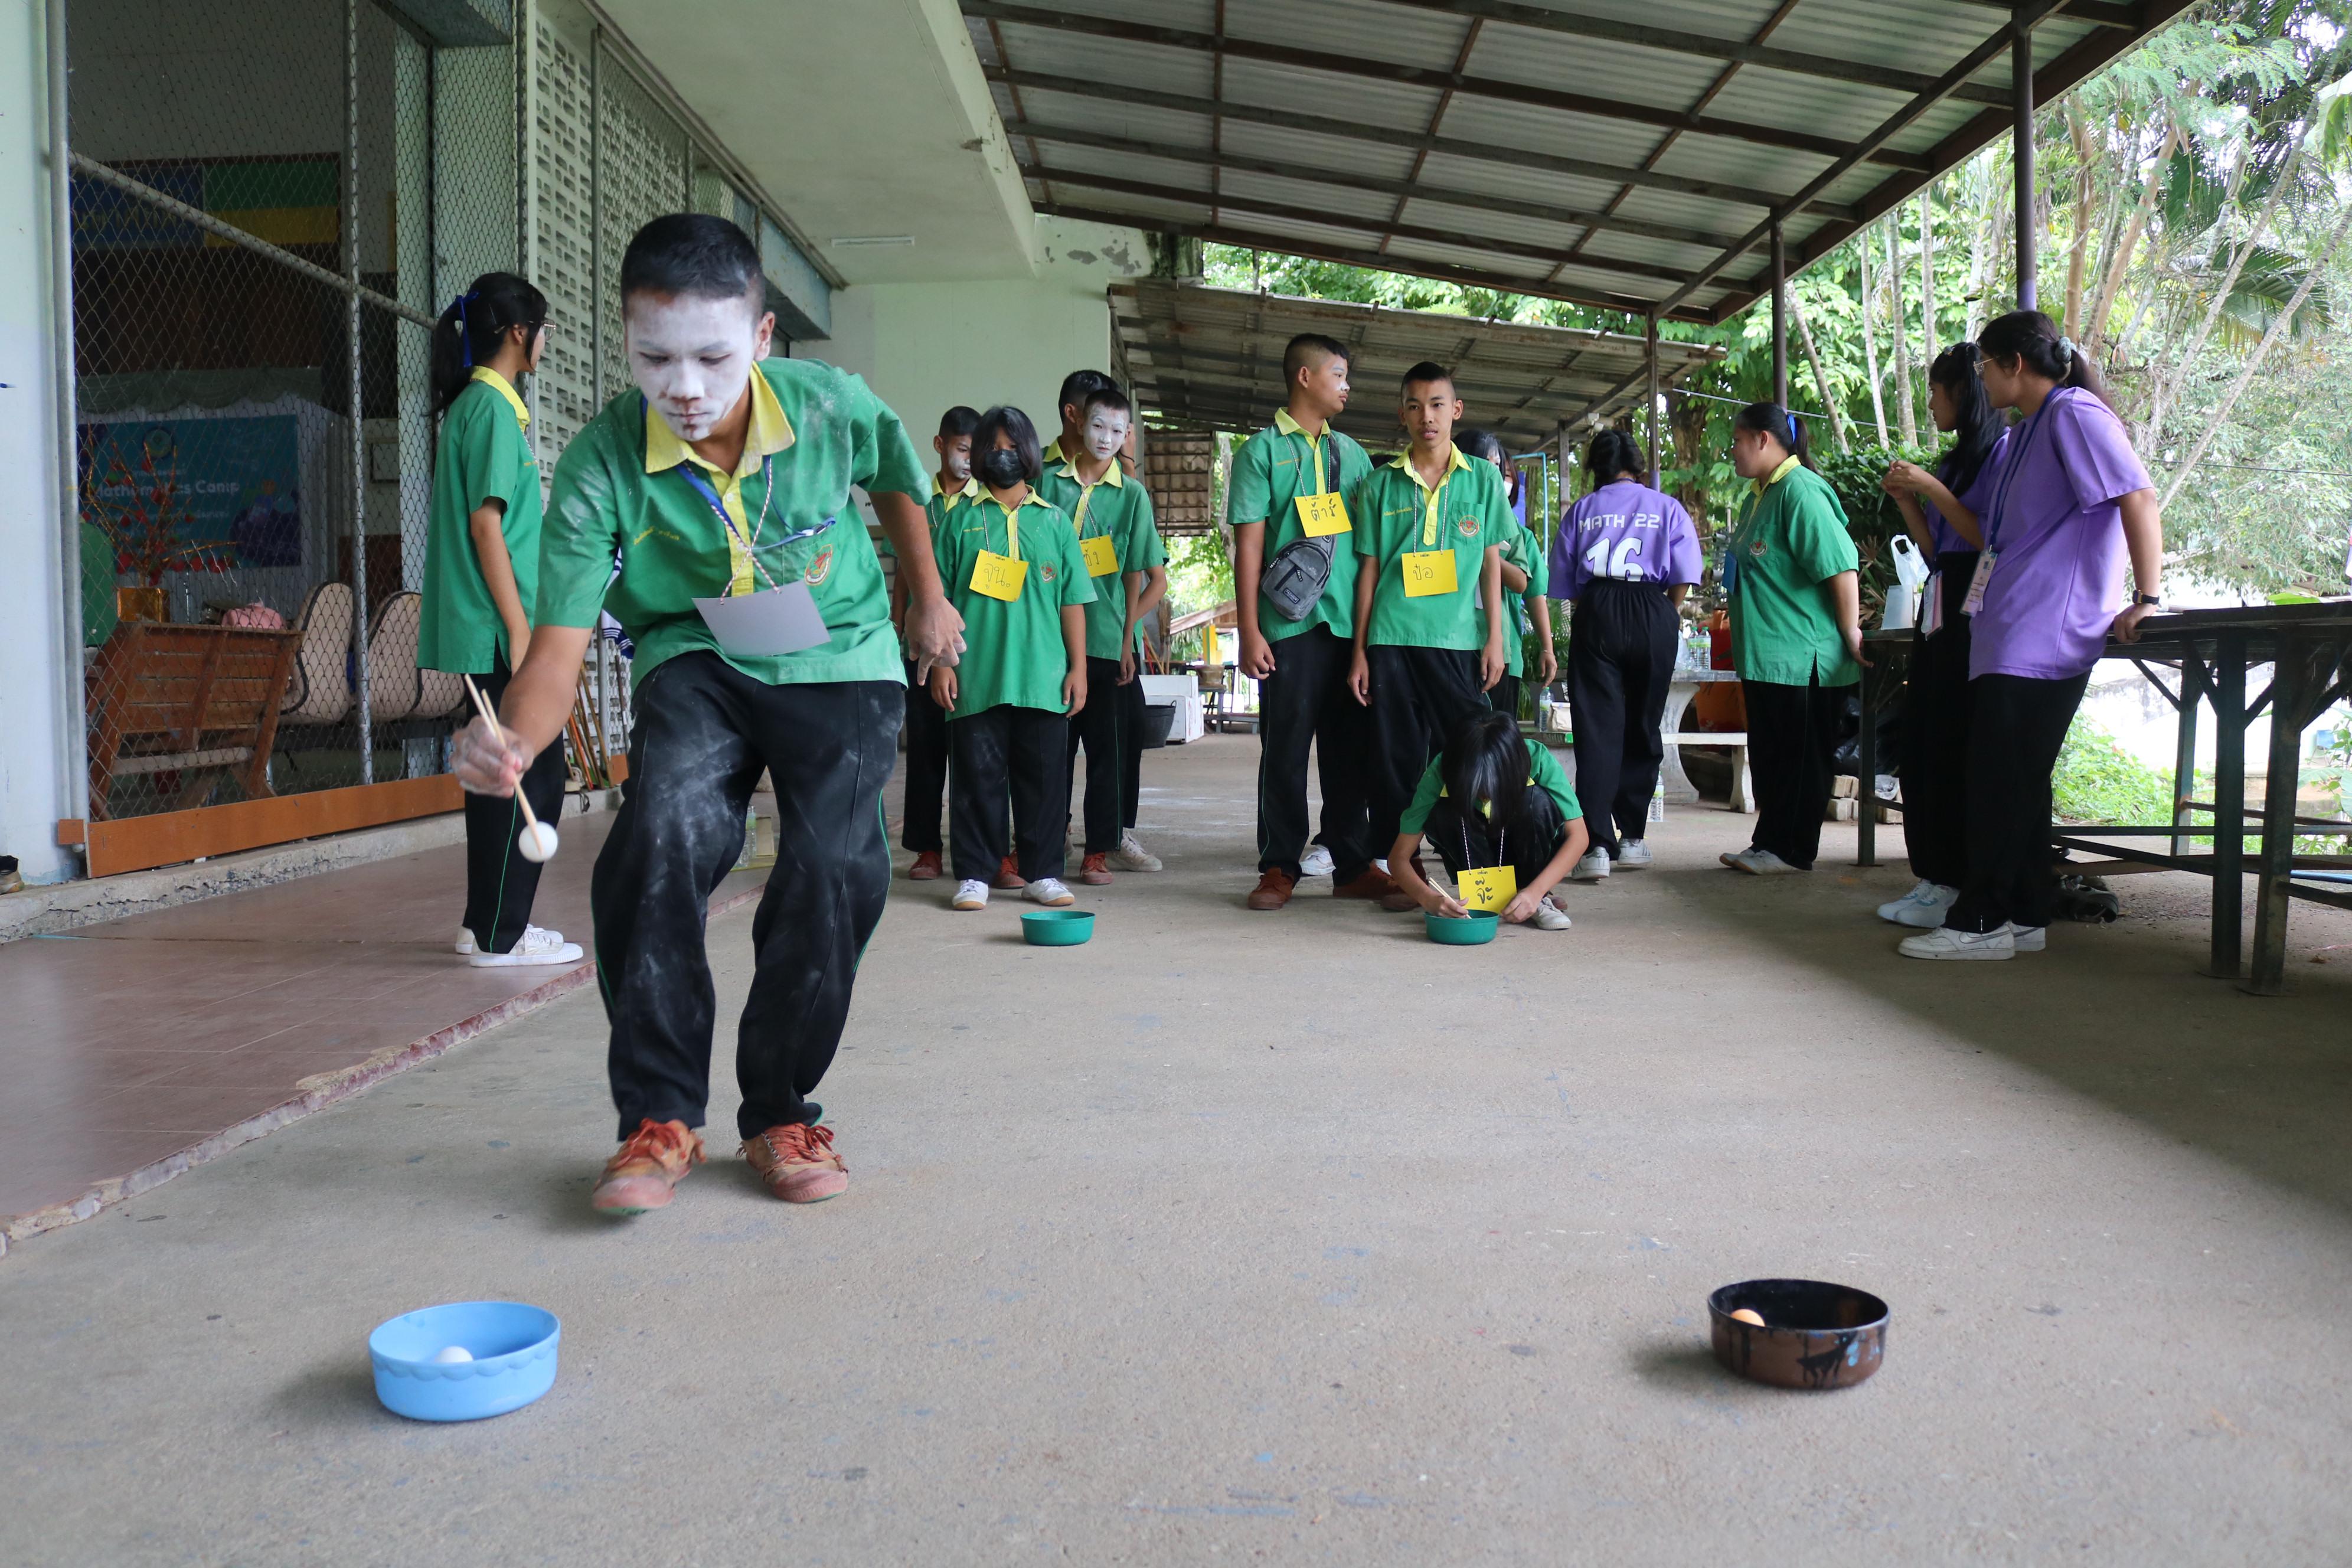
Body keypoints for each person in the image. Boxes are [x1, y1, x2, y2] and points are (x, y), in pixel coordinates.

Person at [450, 214, 965, 1217]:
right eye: (654, 358)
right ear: (625, 339)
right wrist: (515, 738)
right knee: (660, 834)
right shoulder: (601, 461)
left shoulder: (830, 406)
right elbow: (553, 654)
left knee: (836, 860)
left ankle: (779, 1110)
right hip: (695, 649)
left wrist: (929, 596)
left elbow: (900, 483)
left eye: (713, 358)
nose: (683, 387)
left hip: (838, 648)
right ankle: (659, 1115)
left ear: (763, 337)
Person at [1900, 311, 2162, 961]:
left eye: (1985, 365)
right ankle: (2022, 912)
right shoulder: (2024, 432)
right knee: (2015, 779)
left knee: (1999, 781)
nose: (1980, 378)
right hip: (2008, 624)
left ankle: (1980, 921)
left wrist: (2147, 597)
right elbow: (1988, 533)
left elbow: (2137, 496)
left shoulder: (2075, 414)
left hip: (2046, 630)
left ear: (2014, 364)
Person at [416, 272, 582, 970]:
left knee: (498, 776)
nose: (545, 342)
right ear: (520, 332)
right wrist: (519, 629)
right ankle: (501, 935)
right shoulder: (488, 408)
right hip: (495, 625)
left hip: (489, 622)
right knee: (531, 777)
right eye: (544, 330)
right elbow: (488, 527)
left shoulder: (482, 407)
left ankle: (482, 925)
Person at [1229, 333, 1394, 911]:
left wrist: (1371, 636)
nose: (1347, 387)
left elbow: (1369, 548)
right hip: (1288, 626)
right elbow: (1249, 547)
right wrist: (1249, 630)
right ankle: (1279, 865)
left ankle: (1351, 865)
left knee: (1350, 750)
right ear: (1305, 377)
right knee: (1286, 748)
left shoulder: (1352, 454)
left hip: (1349, 626)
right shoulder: (1261, 453)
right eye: (1338, 375)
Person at [1347, 361, 1514, 912]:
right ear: (1402, 414)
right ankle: (1405, 872)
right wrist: (1360, 651)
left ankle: (1489, 874)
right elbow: (1369, 571)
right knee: (1394, 760)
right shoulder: (1380, 484)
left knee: (1476, 757)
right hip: (1392, 640)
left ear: (1456, 410)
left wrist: (1495, 638)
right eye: (1416, 406)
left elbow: (1490, 565)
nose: (1428, 417)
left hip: (1457, 641)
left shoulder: (1483, 479)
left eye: (1438, 405)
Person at [928, 405, 1095, 913]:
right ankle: (974, 874)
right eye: (993, 448)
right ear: (979, 454)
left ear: (1030, 453)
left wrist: (1079, 667)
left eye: (1012, 447)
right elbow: (937, 600)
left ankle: (1042, 873)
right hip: (975, 676)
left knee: (1044, 782)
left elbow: (1072, 601)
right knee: (975, 780)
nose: (1003, 456)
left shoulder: (1055, 522)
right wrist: (942, 663)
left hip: (1043, 678)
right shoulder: (958, 521)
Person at [1877, 344, 2006, 929]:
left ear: (1964, 392)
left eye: (1936, 390)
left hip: (1978, 601)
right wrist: (1909, 499)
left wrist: (1929, 487)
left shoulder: (2002, 454)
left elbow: (1983, 537)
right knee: (1923, 738)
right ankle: (1932, 876)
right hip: (1941, 594)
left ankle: (1956, 880)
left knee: (1956, 739)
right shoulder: (1954, 463)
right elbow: (1934, 550)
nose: (1931, 403)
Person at [1549, 429, 1702, 881]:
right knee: (1643, 724)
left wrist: (1600, 610)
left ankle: (1596, 846)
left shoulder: (1582, 511)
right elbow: (1683, 575)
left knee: (1597, 730)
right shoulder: (1667, 508)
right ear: (1637, 466)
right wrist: (1664, 614)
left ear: (1596, 469)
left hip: (1598, 609)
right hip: (1654, 609)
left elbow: (1568, 585)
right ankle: (1633, 838)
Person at [1719, 402, 1866, 876]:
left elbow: (1840, 567)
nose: (1732, 450)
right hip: (1765, 656)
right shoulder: (1758, 495)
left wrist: (1851, 630)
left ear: (1763, 439)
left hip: (1804, 657)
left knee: (1800, 759)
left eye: (1738, 441)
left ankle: (1793, 851)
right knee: (1772, 756)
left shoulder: (1801, 490)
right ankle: (1768, 844)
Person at [1037, 385, 1168, 885]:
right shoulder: (1047, 483)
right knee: (1050, 751)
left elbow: (1137, 572)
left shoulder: (1131, 495)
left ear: (1127, 434)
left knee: (1108, 753)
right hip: (1049, 641)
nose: (1106, 438)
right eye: (1098, 426)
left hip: (1107, 641)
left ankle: (1098, 851)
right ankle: (1042, 843)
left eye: (1117, 430)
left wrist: (1127, 636)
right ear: (1079, 424)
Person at [1386, 709, 1586, 932]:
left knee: (1538, 802)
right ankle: (1481, 900)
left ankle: (1534, 898)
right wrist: (1428, 898)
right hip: (1475, 860)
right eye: (1475, 787)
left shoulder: (1537, 758)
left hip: (1526, 854)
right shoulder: (1441, 770)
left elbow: (1579, 837)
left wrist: (1536, 891)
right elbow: (1398, 858)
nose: (1485, 795)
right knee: (1444, 810)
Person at [889, 406, 979, 883]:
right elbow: (906, 568)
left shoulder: (986, 503)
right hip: (922, 642)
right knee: (925, 747)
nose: (969, 460)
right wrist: (897, 620)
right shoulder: (917, 498)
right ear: (940, 446)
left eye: (976, 451)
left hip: (971, 642)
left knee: (972, 749)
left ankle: (973, 847)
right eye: (962, 449)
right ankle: (926, 847)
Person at [1458, 429, 1556, 730]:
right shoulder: (1449, 515)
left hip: (1502, 647)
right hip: (1453, 641)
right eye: (1486, 463)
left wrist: (1547, 648)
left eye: (1500, 469)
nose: (1496, 474)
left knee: (1496, 735)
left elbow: (1530, 589)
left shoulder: (1516, 532)